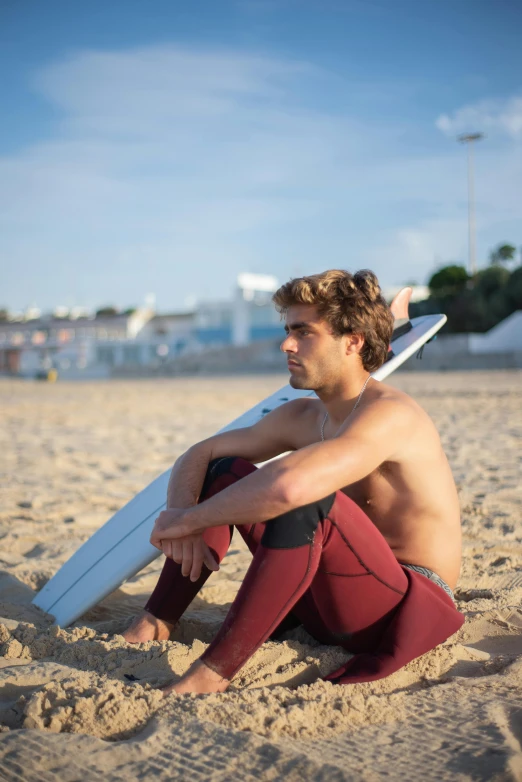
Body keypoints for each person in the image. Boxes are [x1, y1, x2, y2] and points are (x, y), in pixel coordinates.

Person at [123, 269, 463, 696]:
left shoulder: (391, 414)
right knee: (224, 468)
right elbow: (200, 453)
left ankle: (210, 676)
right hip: (321, 603)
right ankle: (157, 619)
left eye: (303, 332)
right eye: (288, 330)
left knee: (304, 496)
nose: (286, 344)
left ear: (353, 342)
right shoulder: (301, 416)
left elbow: (289, 489)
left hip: (394, 609)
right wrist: (181, 513)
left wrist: (190, 518)